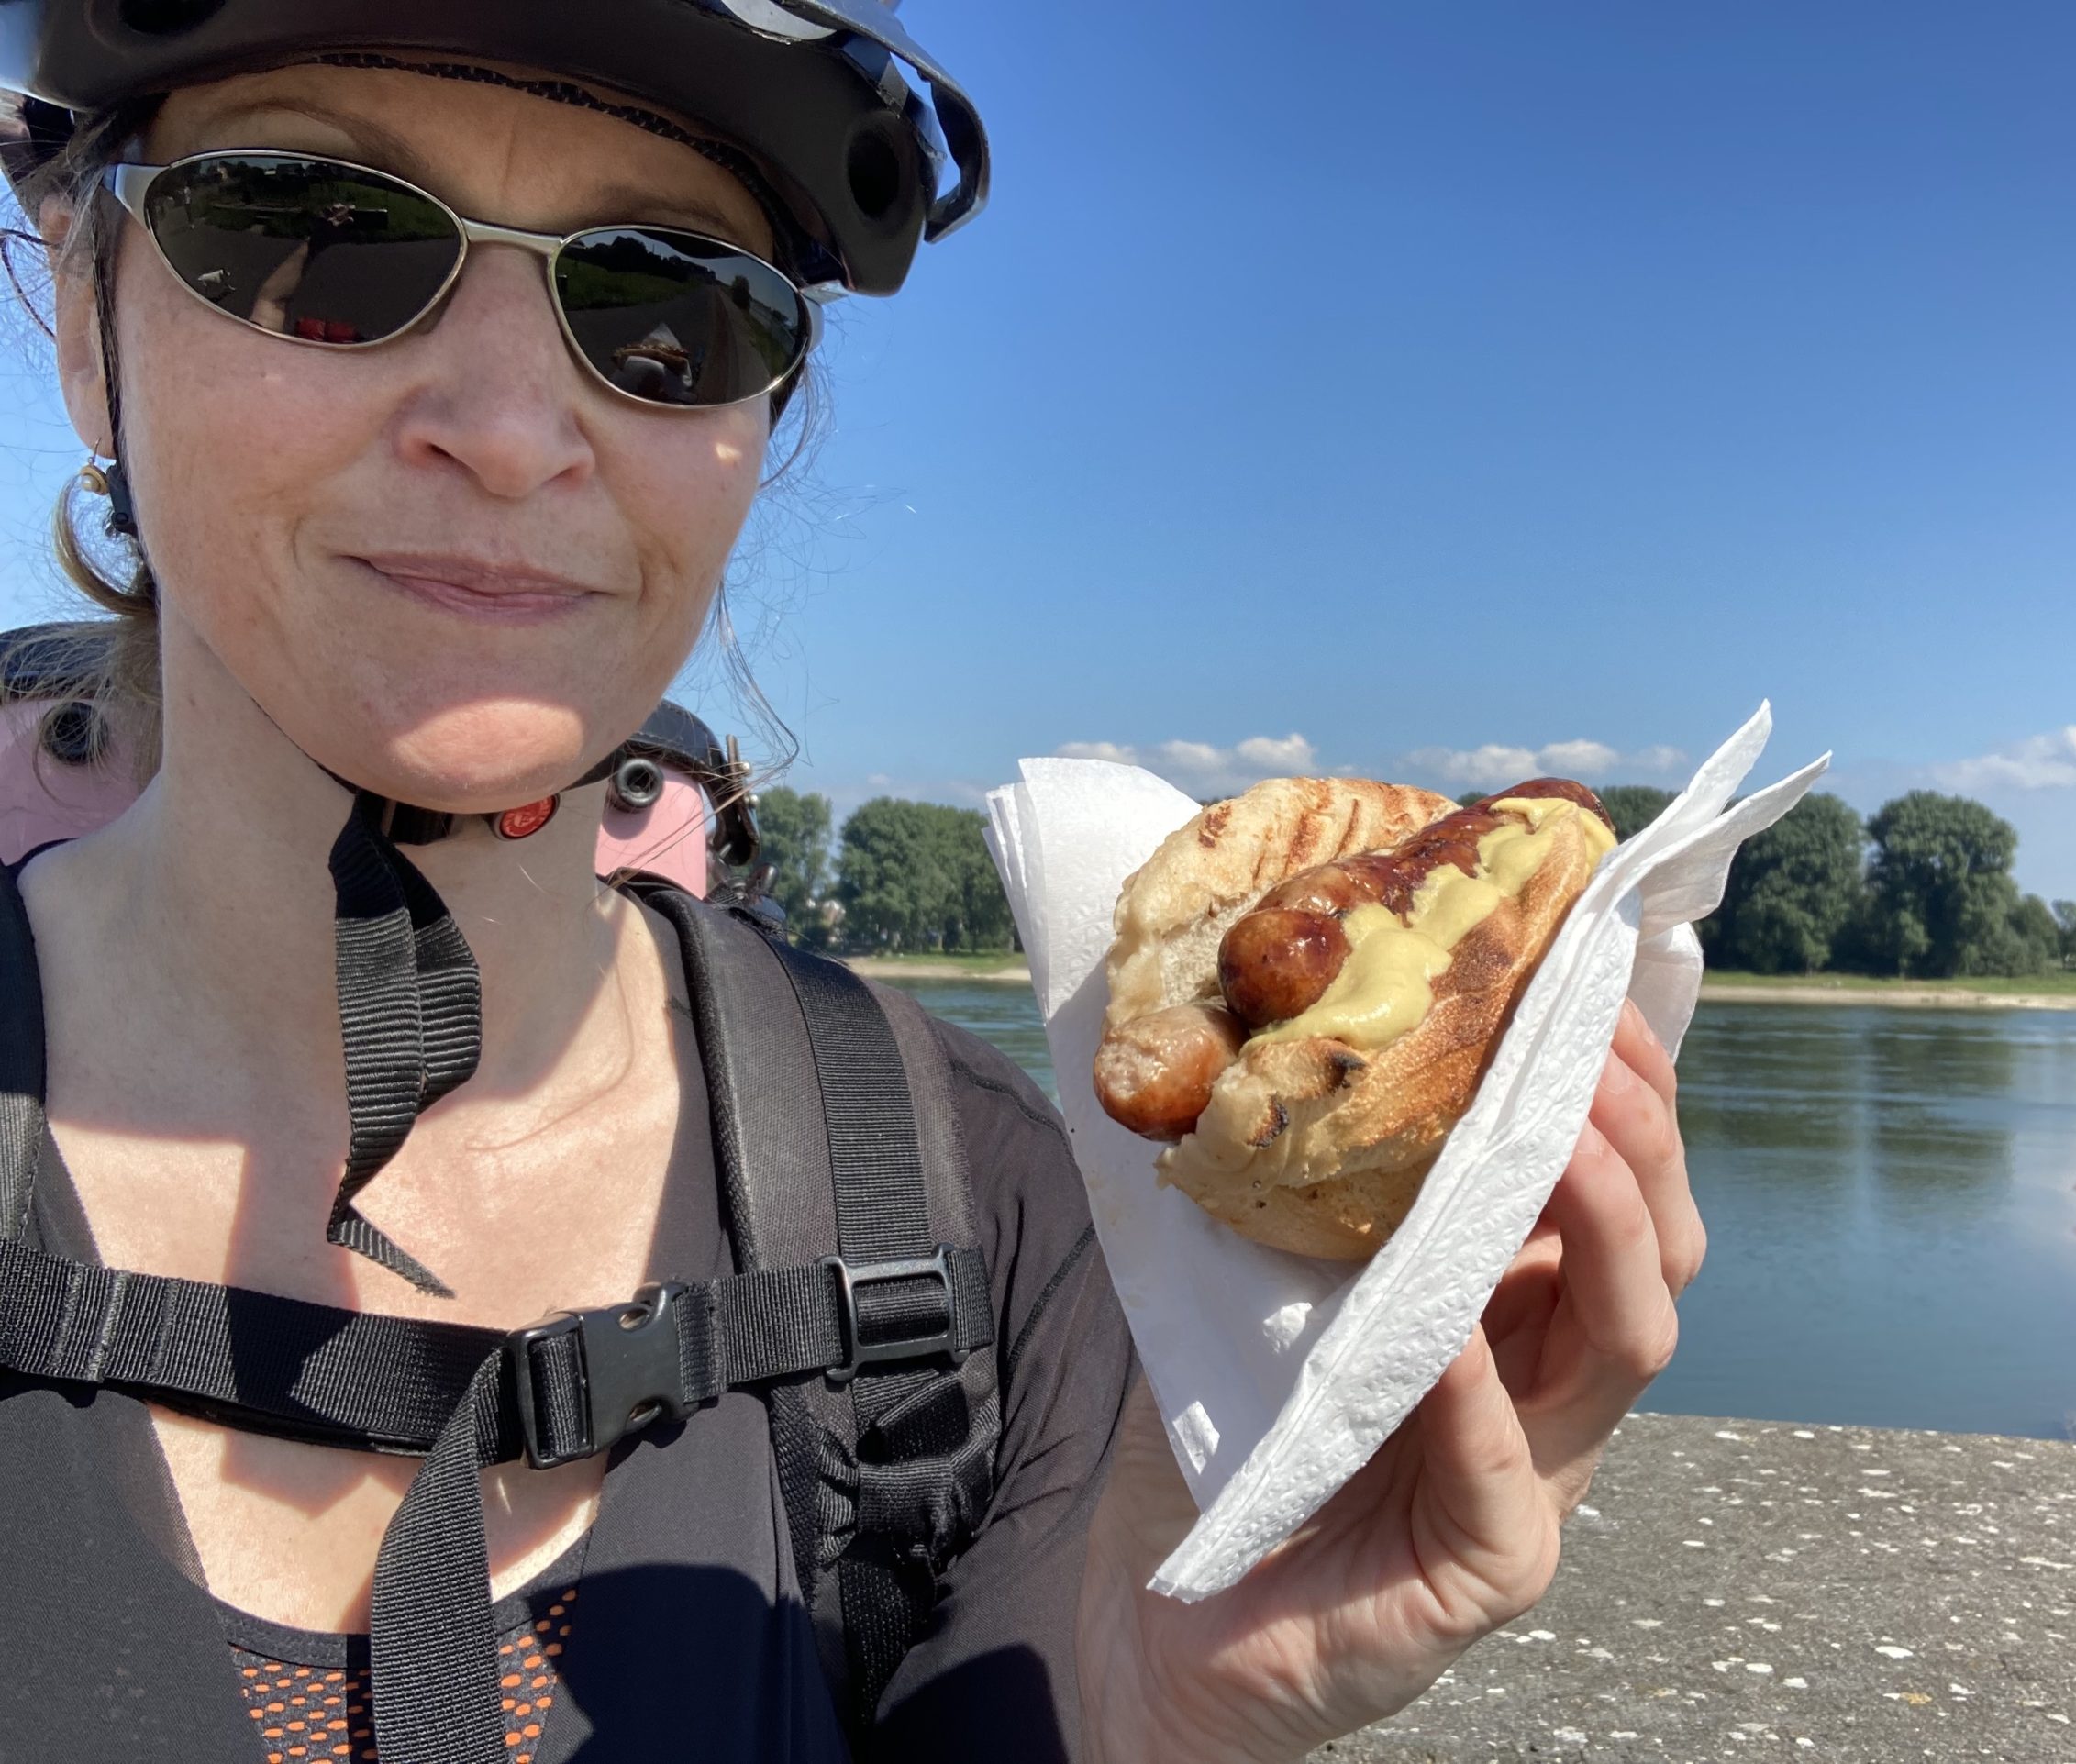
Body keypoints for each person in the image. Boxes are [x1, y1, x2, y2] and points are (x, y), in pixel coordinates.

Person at [0, 5, 1702, 1760]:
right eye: (316, 230)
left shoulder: (1017, 1225)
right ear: (80, 308)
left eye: (666, 296)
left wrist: (1140, 1716)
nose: (512, 429)